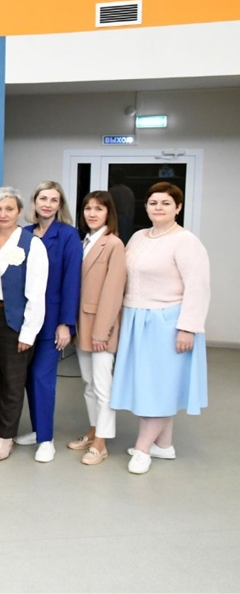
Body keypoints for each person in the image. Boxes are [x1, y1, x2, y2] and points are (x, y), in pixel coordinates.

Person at [111, 183, 209, 475]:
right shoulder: (138, 237)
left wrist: (187, 328)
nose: (158, 207)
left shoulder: (186, 241)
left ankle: (143, 448)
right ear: (146, 206)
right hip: (136, 319)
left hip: (167, 322)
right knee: (151, 385)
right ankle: (164, 445)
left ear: (178, 208)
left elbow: (198, 287)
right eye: (153, 202)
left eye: (166, 203)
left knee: (159, 387)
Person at [0, 188, 47, 462]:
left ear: (19, 211)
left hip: (14, 320)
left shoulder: (32, 244)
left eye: (9, 209)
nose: (3, 214)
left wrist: (28, 332)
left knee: (12, 382)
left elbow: (37, 293)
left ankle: (7, 436)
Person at [15, 181, 81, 462]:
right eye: (43, 198)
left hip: (53, 320)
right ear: (35, 202)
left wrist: (66, 323)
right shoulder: (24, 233)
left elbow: (72, 281)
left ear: (60, 205)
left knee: (42, 377)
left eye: (54, 200)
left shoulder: (68, 235)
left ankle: (46, 439)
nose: (48, 204)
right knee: (29, 377)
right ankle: (38, 429)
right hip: (25, 319)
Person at [70, 191, 126, 465]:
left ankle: (101, 444)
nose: (92, 213)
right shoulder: (84, 241)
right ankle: (94, 431)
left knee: (103, 387)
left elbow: (113, 292)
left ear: (108, 213)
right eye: (88, 208)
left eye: (99, 209)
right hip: (83, 323)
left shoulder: (113, 243)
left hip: (101, 327)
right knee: (89, 384)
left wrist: (102, 332)